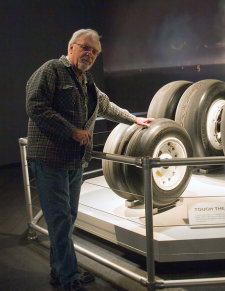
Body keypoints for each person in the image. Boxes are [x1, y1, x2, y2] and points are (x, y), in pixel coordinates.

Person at [26, 28, 153, 291]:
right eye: (85, 47)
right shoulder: (52, 70)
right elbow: (35, 106)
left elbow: (105, 106)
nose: (90, 54)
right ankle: (70, 277)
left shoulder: (86, 81)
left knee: (67, 218)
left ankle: (59, 271)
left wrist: (133, 119)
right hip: (50, 160)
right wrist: (70, 130)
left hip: (74, 162)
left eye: (94, 51)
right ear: (71, 47)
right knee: (60, 220)